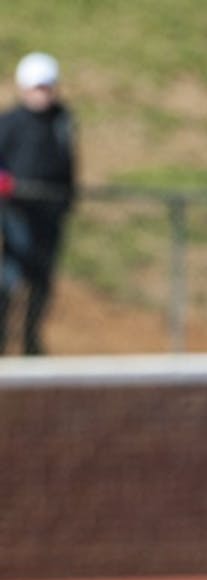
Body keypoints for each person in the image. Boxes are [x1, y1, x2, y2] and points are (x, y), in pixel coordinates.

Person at [0, 51, 77, 355]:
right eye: (36, 87)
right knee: (11, 278)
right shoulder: (10, 122)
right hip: (18, 212)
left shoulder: (63, 120)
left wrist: (68, 199)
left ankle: (32, 342)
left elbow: (68, 161)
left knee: (42, 282)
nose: (42, 94)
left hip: (51, 212)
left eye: (47, 87)